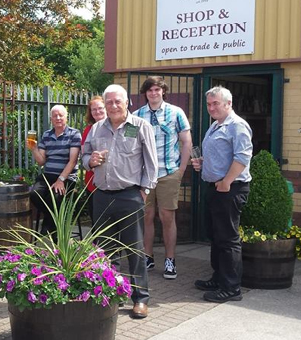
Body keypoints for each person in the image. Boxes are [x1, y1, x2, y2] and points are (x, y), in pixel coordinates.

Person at [81, 84, 157, 319]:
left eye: (117, 101)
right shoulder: (96, 129)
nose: (113, 106)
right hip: (102, 195)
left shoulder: (141, 127)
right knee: (105, 249)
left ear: (127, 103)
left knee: (134, 249)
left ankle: (141, 299)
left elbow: (152, 164)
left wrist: (143, 191)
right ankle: (110, 294)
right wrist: (90, 161)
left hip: (130, 195)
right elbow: (84, 156)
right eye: (109, 102)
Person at [192, 86, 252, 303]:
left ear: (229, 103)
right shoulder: (216, 126)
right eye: (209, 104)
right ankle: (219, 278)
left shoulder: (237, 126)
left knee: (227, 239)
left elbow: (242, 158)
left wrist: (226, 181)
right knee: (216, 237)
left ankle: (231, 288)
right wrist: (203, 164)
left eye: (215, 103)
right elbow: (220, 156)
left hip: (230, 188)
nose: (211, 108)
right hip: (215, 188)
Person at [132, 76, 191, 280]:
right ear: (145, 93)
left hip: (168, 173)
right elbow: (129, 144)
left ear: (163, 91)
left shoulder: (176, 113)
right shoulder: (136, 115)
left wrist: (181, 170)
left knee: (167, 218)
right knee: (146, 217)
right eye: (150, 90)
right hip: (145, 176)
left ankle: (170, 260)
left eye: (157, 90)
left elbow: (186, 142)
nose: (154, 93)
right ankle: (147, 256)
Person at [26, 105, 81, 239]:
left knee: (56, 197)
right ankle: (51, 223)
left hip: (67, 177)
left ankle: (52, 230)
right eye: (55, 115)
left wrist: (61, 180)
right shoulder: (47, 135)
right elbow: (41, 162)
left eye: (60, 115)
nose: (58, 118)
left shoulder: (74, 134)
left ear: (66, 117)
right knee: (34, 194)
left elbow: (73, 161)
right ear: (51, 118)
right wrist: (33, 149)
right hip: (48, 174)